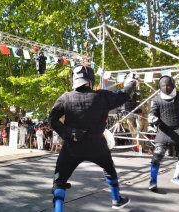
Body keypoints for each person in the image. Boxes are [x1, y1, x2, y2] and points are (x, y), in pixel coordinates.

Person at [48, 64, 137, 210]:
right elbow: (125, 94)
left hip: (72, 147)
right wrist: (132, 82)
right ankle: (116, 200)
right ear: (91, 80)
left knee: (59, 180)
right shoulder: (103, 96)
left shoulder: (65, 97)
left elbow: (52, 120)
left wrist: (69, 133)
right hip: (97, 146)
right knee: (110, 170)